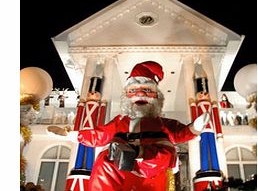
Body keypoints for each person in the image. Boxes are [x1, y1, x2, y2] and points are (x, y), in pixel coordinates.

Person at [63, 61, 210, 191]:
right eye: (133, 91)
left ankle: (138, 154)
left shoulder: (162, 124)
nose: (140, 94)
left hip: (152, 166)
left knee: (163, 156)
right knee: (105, 161)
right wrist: (73, 135)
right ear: (127, 96)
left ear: (157, 97)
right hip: (123, 163)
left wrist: (194, 128)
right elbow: (100, 135)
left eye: (147, 90)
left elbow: (180, 133)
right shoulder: (120, 122)